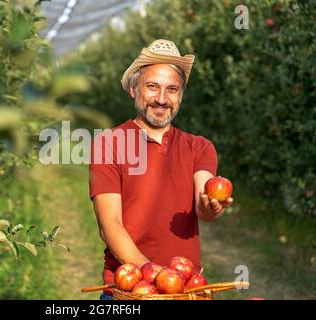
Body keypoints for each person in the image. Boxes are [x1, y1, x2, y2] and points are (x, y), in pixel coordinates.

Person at [88, 39, 234, 300]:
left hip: (186, 290)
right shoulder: (108, 144)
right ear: (134, 89)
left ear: (181, 96)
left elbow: (204, 202)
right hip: (129, 290)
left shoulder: (199, 147)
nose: (162, 99)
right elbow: (109, 224)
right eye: (152, 87)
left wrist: (211, 206)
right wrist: (154, 277)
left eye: (172, 90)